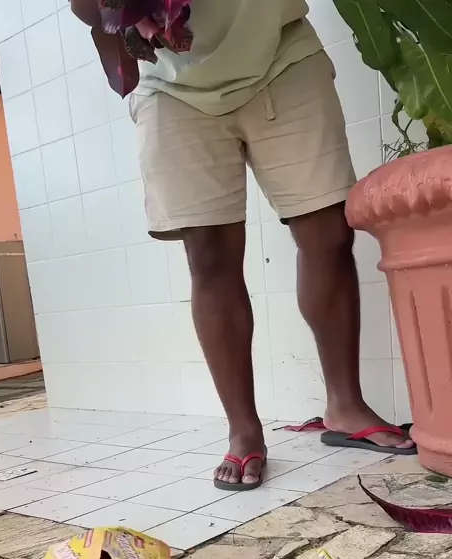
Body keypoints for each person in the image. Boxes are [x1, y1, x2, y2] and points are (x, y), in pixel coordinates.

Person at [71, 0, 416, 491]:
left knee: (328, 233)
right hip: (171, 86)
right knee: (209, 255)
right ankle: (243, 428)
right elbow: (87, 8)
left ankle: (345, 406)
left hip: (281, 55)